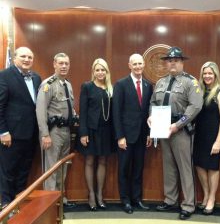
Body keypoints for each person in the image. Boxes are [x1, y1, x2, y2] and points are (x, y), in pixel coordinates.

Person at [148, 46, 203, 220]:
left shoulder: (190, 82)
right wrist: (150, 117)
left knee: (185, 168)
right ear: (166, 63)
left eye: (176, 60)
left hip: (181, 131)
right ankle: (170, 200)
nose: (172, 63)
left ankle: (188, 205)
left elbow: (195, 107)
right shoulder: (161, 82)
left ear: (182, 63)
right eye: (169, 61)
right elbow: (153, 102)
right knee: (169, 166)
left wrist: (178, 125)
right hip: (162, 128)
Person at [0, 47, 41, 207]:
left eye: (30, 57)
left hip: (31, 134)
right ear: (15, 58)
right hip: (11, 135)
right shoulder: (4, 76)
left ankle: (18, 202)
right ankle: (6, 204)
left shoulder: (37, 78)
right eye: (23, 56)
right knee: (8, 171)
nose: (27, 59)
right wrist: (3, 132)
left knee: (24, 170)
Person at [112, 53, 153, 214]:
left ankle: (136, 199)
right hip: (126, 137)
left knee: (138, 169)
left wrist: (149, 134)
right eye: (134, 64)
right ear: (129, 65)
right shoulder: (121, 84)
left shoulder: (149, 86)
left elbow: (148, 112)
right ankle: (126, 200)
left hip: (142, 136)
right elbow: (116, 112)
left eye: (140, 64)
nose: (137, 67)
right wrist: (120, 136)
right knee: (124, 169)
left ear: (144, 65)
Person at [36, 53, 76, 208]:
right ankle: (49, 203)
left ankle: (59, 198)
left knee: (62, 167)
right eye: (61, 63)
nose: (64, 66)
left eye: (66, 63)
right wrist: (45, 134)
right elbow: (40, 111)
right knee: (51, 168)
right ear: (54, 64)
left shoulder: (67, 84)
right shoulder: (48, 84)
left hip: (66, 131)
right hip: (52, 133)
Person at [76, 58, 115, 211]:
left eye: (103, 70)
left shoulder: (110, 88)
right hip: (91, 131)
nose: (100, 72)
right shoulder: (87, 86)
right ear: (93, 72)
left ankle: (100, 195)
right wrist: (83, 133)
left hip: (106, 131)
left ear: (107, 72)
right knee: (90, 161)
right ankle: (91, 195)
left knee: (103, 161)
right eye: (97, 70)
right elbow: (83, 111)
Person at [193, 61, 220, 215]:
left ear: (215, 75)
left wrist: (218, 141)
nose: (207, 76)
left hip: (213, 136)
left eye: (210, 73)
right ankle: (206, 194)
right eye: (205, 73)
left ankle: (212, 198)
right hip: (199, 135)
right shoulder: (199, 91)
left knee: (212, 168)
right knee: (199, 165)